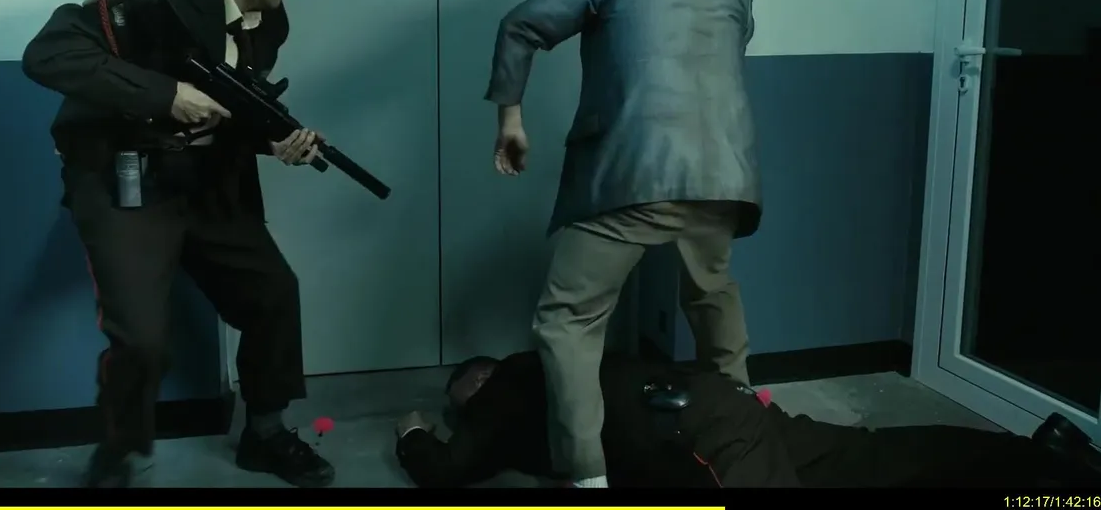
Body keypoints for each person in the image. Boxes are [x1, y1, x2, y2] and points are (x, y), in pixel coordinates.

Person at [21, 0, 335, 489]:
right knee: (140, 338)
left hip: (208, 181)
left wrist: (274, 140)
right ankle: (118, 452)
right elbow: (48, 55)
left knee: (274, 294)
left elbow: (233, 108)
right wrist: (165, 95)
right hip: (127, 181)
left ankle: (266, 433)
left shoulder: (269, 23)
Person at [483, 0, 762, 488]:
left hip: (633, 171)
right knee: (712, 297)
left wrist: (511, 120)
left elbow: (521, 25)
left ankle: (585, 478)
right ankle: (751, 434)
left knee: (569, 319)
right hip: (724, 174)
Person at [394, 351, 1101, 488]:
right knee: (876, 458)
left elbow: (447, 470)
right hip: (716, 403)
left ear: (478, 381)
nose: (466, 413)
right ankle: (1040, 457)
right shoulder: (566, 360)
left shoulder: (504, 389)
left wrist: (414, 431)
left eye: (462, 401)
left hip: (697, 433)